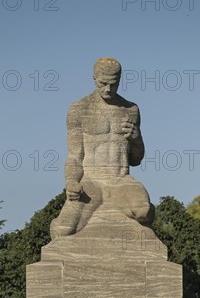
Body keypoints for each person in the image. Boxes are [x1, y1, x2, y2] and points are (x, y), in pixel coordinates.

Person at [50, 57, 154, 239]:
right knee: (63, 231)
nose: (108, 89)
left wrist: (137, 139)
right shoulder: (79, 109)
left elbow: (136, 160)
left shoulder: (130, 109)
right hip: (91, 183)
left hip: (121, 180)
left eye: (113, 84)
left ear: (120, 80)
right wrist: (71, 182)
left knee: (144, 212)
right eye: (103, 83)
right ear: (94, 78)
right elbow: (74, 156)